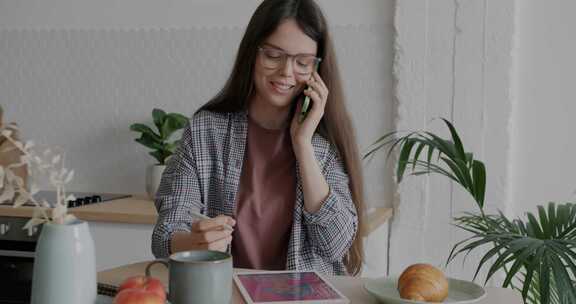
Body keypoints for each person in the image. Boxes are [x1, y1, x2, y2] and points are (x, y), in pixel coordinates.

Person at [151, 0, 365, 276]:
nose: (287, 73)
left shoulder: (324, 144)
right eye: (274, 56)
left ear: (316, 70)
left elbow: (338, 246)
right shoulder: (205, 131)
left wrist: (303, 145)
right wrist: (192, 242)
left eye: (302, 62)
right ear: (253, 53)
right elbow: (164, 234)